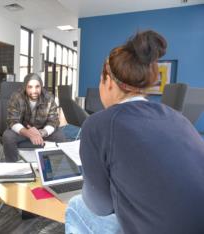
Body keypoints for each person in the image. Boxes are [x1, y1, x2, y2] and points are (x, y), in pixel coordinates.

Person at [65, 30, 204, 234]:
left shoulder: (98, 124)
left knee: (77, 204)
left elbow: (100, 207)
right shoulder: (177, 118)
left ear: (108, 82)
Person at [2, 73, 66, 162]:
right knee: (8, 136)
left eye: (37, 87)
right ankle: (12, 165)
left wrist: (41, 133)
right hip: (23, 131)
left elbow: (53, 121)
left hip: (42, 131)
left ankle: (55, 166)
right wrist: (28, 133)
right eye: (30, 87)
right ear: (25, 87)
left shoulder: (49, 98)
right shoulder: (16, 97)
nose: (34, 91)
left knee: (60, 136)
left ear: (41, 86)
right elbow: (12, 120)